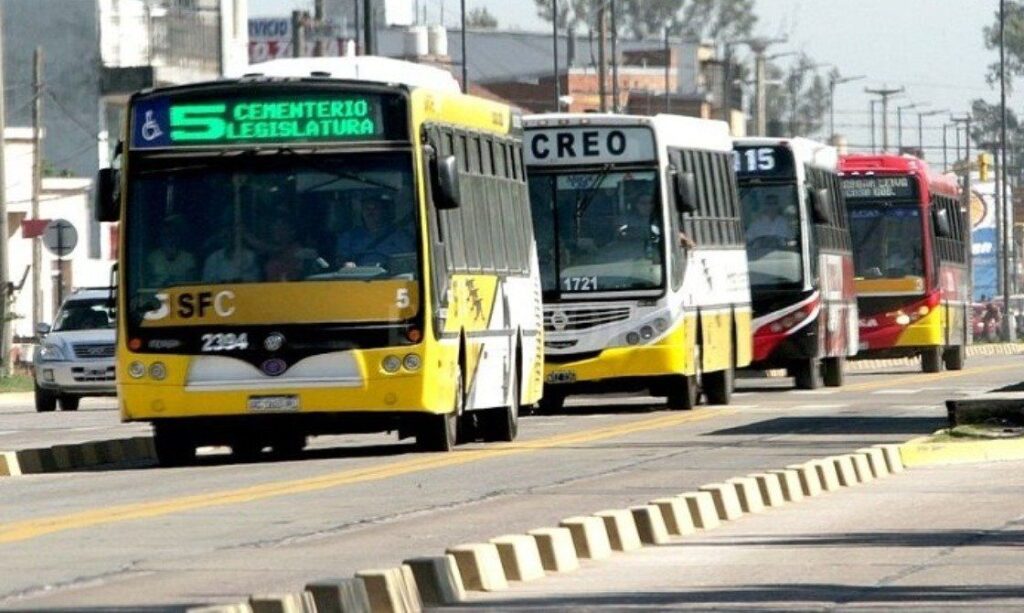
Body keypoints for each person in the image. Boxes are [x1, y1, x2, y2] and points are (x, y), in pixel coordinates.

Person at [336, 193, 414, 268]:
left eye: (375, 208)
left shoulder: (400, 236)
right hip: (357, 278)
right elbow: (341, 260)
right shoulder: (349, 236)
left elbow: (408, 262)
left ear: (384, 212)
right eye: (367, 208)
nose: (370, 212)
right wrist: (346, 264)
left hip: (391, 278)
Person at [147, 219, 195, 287]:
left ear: (178, 237)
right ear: (161, 238)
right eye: (166, 235)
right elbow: (148, 283)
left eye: (172, 235)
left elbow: (192, 284)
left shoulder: (188, 258)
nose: (170, 239)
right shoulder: (153, 258)